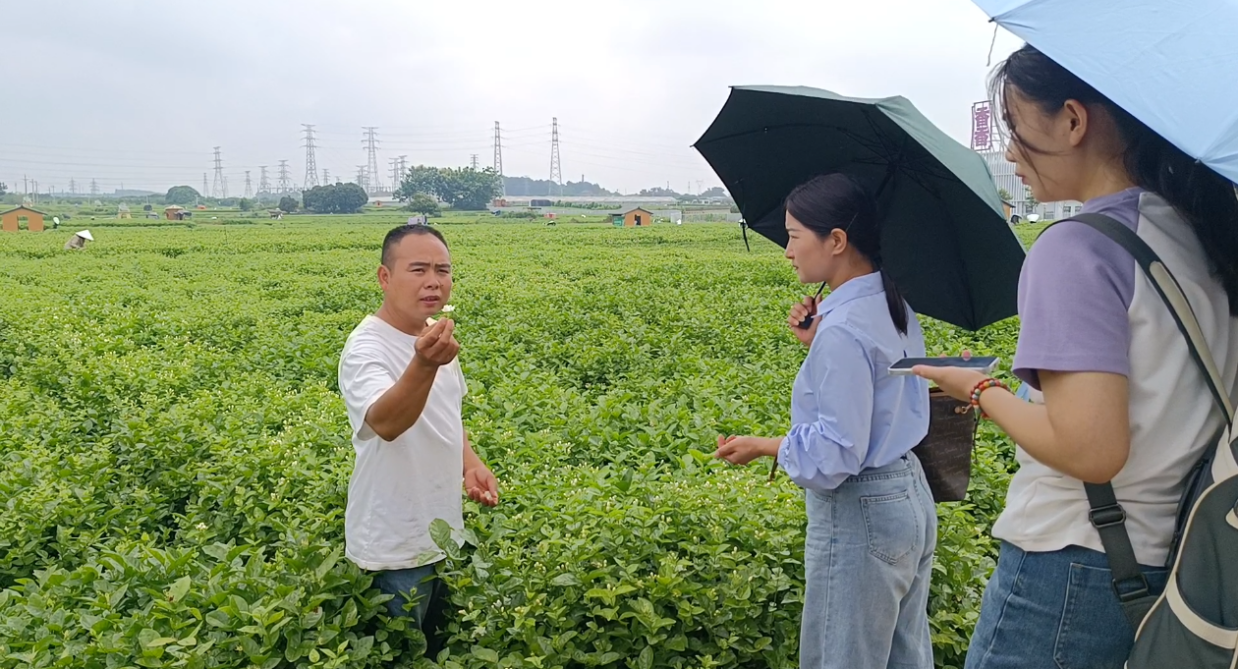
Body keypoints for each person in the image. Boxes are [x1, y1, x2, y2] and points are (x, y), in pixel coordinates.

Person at [914, 44, 1238, 669]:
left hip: (1073, 567)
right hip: (1177, 560)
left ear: (1072, 120)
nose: (1010, 152)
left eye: (1015, 126)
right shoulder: (1195, 233)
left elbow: (1090, 449)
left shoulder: (1076, 247)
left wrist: (978, 389)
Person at [715, 173, 937, 669]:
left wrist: (766, 445)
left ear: (836, 240)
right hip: (908, 494)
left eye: (794, 236)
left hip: (862, 510)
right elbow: (878, 393)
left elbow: (839, 451)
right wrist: (818, 340)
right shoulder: (892, 305)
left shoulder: (844, 328)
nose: (788, 252)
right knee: (903, 657)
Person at [337, 224, 500, 651]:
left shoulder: (432, 333)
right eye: (418, 269)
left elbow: (447, 414)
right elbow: (386, 423)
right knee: (403, 654)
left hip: (444, 535)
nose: (433, 281)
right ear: (384, 277)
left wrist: (470, 463)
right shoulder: (366, 347)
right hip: (394, 547)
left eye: (443, 270)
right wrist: (424, 365)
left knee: (440, 646)